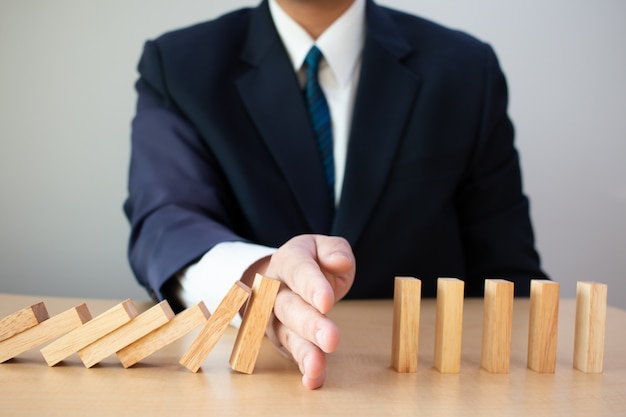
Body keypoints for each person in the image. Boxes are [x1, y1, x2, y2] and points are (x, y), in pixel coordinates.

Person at [124, 0, 546, 389]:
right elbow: (165, 220)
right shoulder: (179, 65)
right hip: (240, 383)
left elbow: (510, 273)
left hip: (431, 386)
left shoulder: (466, 70)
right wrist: (257, 277)